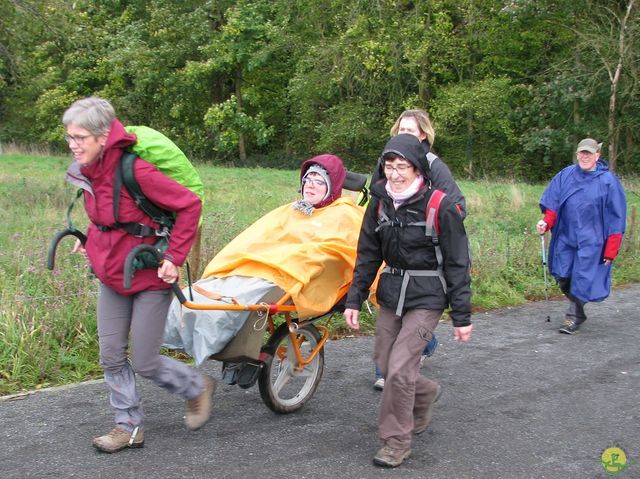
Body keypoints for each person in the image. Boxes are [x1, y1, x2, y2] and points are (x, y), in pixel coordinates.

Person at [62, 96, 213, 453]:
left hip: (149, 275)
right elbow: (108, 217)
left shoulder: (136, 170)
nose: (72, 144)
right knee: (111, 355)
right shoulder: (88, 172)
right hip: (112, 274)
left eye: (79, 137)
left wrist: (175, 257)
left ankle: (196, 387)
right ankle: (127, 426)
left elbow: (190, 205)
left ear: (102, 136)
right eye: (69, 137)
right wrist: (91, 241)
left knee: (144, 360)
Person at [344, 134, 473, 468]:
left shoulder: (440, 205)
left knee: (400, 370)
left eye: (403, 166)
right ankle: (425, 392)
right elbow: (368, 253)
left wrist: (462, 315)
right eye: (390, 165)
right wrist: (354, 299)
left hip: (428, 296)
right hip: (392, 291)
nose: (395, 173)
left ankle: (396, 441)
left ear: (417, 169)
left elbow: (458, 262)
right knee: (385, 363)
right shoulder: (379, 202)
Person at [164, 154, 364, 365]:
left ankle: (234, 352)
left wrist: (290, 258)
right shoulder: (292, 210)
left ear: (331, 187)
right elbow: (256, 238)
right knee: (200, 294)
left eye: (319, 182)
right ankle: (186, 337)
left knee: (242, 302)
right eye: (307, 180)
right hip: (254, 266)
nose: (310, 186)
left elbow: (341, 249)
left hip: (290, 274)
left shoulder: (344, 215)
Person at [372, 108, 466, 390]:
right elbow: (379, 195)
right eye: (401, 130)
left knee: (413, 307)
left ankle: (391, 370)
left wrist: (427, 225)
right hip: (392, 242)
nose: (405, 134)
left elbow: (458, 205)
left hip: (426, 252)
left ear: (423, 134)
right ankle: (408, 353)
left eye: (411, 131)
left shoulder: (433, 164)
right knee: (390, 304)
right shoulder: (388, 159)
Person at [536, 138, 626, 334]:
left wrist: (611, 249)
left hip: (593, 240)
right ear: (577, 154)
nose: (585, 156)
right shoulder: (566, 175)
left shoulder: (608, 181)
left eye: (589, 153)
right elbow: (553, 203)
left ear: (597, 156)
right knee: (563, 275)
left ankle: (573, 316)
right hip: (566, 236)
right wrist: (546, 222)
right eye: (582, 153)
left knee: (582, 278)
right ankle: (579, 308)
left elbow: (616, 216)